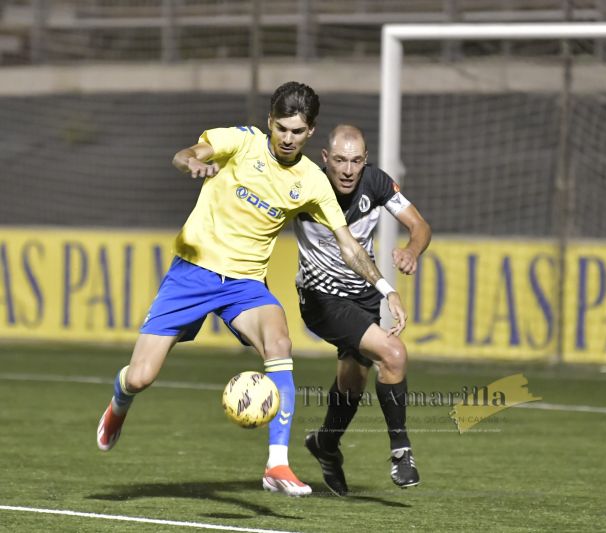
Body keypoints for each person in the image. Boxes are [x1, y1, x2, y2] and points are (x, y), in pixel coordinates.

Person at [95, 83, 408, 498]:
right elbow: (186, 153)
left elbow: (348, 244)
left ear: (310, 132)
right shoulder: (242, 142)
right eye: (281, 128)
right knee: (141, 376)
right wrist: (192, 163)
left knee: (280, 341)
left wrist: (387, 289)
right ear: (269, 123)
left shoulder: (312, 181)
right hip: (192, 275)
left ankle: (276, 464)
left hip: (244, 285)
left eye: (297, 132)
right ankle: (120, 401)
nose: (287, 138)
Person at [295, 124, 431, 496]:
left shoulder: (377, 183)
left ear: (366, 161)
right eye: (340, 160)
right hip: (321, 299)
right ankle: (401, 450)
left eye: (356, 161)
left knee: (352, 382)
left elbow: (419, 225)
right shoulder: (305, 185)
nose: (348, 169)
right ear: (325, 159)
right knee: (394, 353)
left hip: (363, 297)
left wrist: (411, 251)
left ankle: (325, 443)